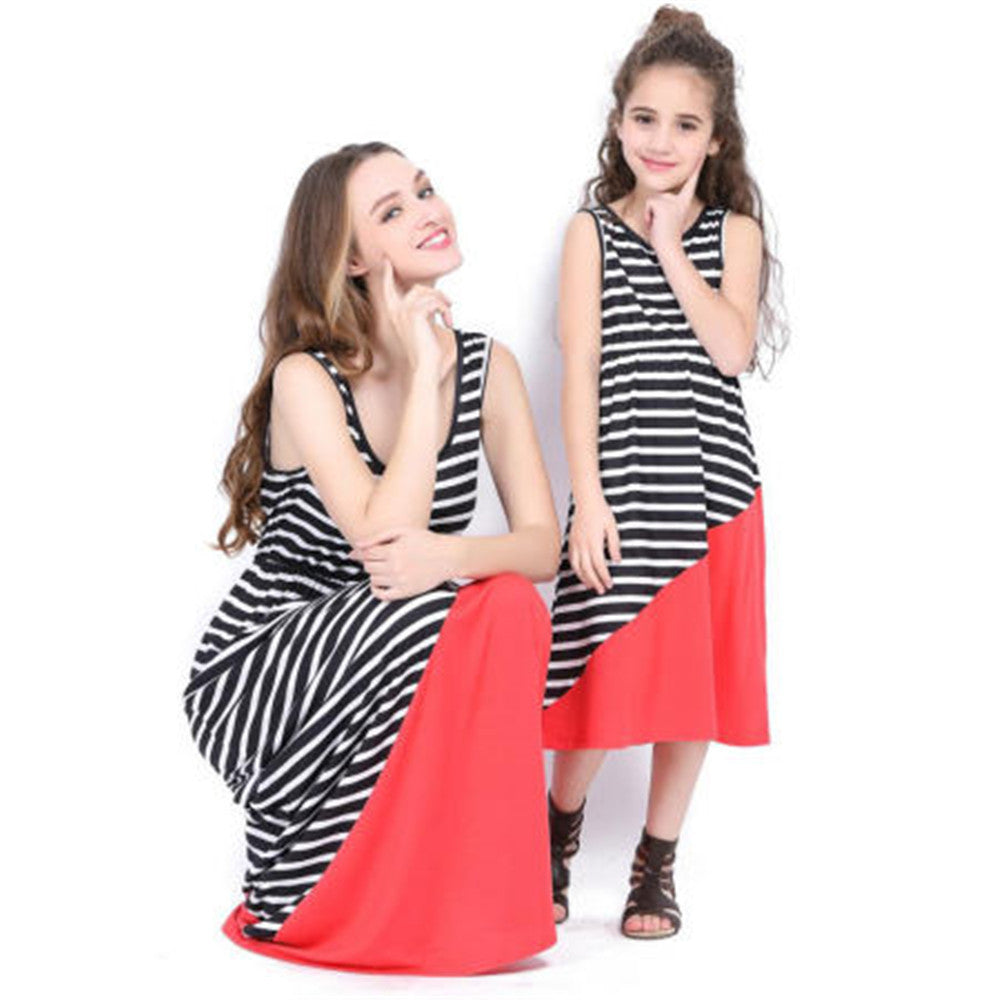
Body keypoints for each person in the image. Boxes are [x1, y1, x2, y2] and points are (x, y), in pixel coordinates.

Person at [182, 142, 562, 975]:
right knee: (438, 611)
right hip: (271, 661)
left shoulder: (490, 367)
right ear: (352, 259)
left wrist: (447, 556)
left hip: (399, 628)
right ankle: (310, 891)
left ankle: (470, 901)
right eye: (393, 210)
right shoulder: (306, 379)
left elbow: (541, 547)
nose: (429, 211)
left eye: (424, 190)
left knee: (507, 607)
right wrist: (424, 373)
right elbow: (381, 542)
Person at [542, 5, 789, 939]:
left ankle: (657, 861)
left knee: (694, 686)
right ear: (618, 123)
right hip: (624, 487)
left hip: (715, 492)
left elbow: (729, 351)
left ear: (715, 138)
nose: (661, 139)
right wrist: (588, 502)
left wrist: (673, 246)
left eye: (685, 124)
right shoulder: (588, 233)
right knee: (597, 676)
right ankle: (555, 828)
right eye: (645, 118)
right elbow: (580, 368)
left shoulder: (733, 233)